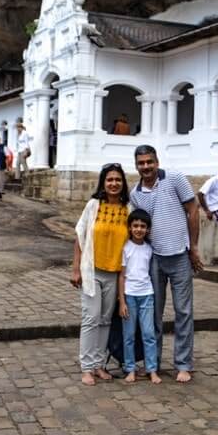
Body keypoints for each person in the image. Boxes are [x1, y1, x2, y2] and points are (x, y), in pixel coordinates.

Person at [129, 144, 203, 383]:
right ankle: (154, 363)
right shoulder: (136, 193)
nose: (146, 167)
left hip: (180, 254)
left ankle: (184, 364)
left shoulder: (175, 178)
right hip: (154, 258)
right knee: (154, 315)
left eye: (149, 162)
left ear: (157, 161)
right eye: (141, 163)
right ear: (136, 165)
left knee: (183, 311)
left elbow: (193, 210)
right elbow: (141, 226)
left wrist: (194, 247)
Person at [71, 163, 132, 385]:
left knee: (106, 320)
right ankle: (86, 367)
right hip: (92, 271)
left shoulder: (129, 208)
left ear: (123, 183)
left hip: (115, 274)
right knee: (91, 318)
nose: (114, 184)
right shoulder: (93, 205)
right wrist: (76, 268)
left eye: (118, 180)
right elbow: (79, 236)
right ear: (103, 183)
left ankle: (98, 365)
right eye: (109, 180)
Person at [118, 209, 161, 384]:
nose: (139, 229)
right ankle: (130, 369)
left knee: (149, 334)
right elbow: (121, 276)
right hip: (129, 296)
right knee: (128, 335)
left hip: (147, 295)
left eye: (143, 226)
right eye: (135, 225)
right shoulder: (125, 248)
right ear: (129, 227)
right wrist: (121, 301)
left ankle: (151, 369)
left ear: (148, 229)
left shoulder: (150, 249)